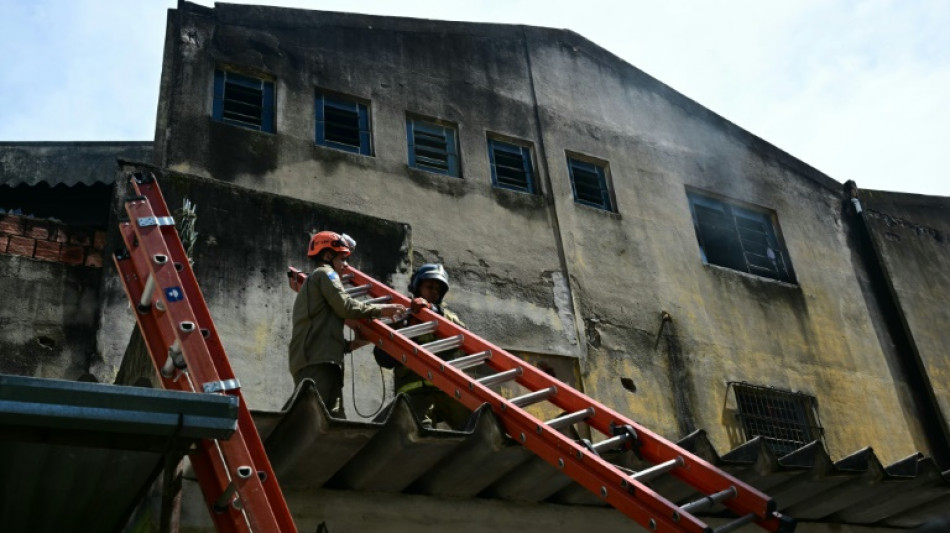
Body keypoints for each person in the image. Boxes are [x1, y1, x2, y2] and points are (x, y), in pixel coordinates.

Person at [288, 231, 405, 417]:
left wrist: (353, 344)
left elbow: (321, 330)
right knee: (307, 417)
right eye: (342, 259)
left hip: (322, 360)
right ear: (328, 256)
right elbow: (345, 306)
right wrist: (382, 310)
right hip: (318, 361)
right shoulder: (326, 273)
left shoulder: (317, 282)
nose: (346, 265)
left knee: (331, 420)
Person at [375, 263, 472, 429]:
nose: (434, 292)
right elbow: (383, 359)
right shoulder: (400, 317)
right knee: (422, 435)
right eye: (429, 287)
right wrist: (404, 332)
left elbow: (464, 338)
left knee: (475, 426)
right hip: (414, 395)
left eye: (438, 289)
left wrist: (432, 311)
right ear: (417, 287)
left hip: (446, 390)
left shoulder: (446, 317)